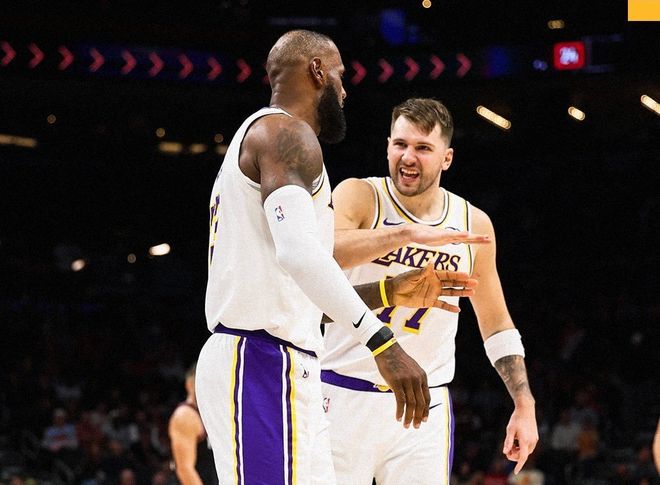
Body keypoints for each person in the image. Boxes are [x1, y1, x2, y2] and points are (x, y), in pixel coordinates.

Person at [195, 31, 481, 485]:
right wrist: (382, 342)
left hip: (290, 362)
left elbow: (303, 289)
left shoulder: (278, 139)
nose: (345, 91)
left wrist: (388, 290)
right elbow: (299, 255)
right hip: (260, 360)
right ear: (317, 71)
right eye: (340, 76)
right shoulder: (285, 133)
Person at [320, 98, 539, 484]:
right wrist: (405, 234)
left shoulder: (472, 224)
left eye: (423, 148)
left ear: (446, 158)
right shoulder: (360, 195)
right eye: (400, 144)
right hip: (342, 393)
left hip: (424, 408)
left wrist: (524, 403)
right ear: (387, 147)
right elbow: (323, 254)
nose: (408, 157)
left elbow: (496, 323)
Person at [168, 363, 217, 485]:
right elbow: (185, 470)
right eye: (203, 381)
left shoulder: (211, 412)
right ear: (189, 384)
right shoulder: (185, 416)